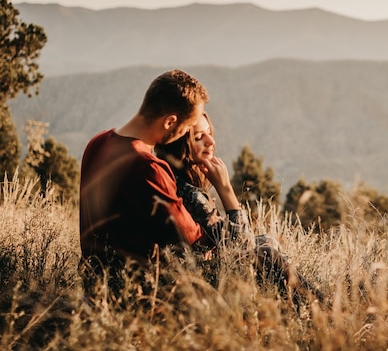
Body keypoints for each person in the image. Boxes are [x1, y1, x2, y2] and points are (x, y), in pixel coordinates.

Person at [79, 69, 235, 296]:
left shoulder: (98, 141)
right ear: (171, 121)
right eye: (186, 128)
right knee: (262, 251)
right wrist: (226, 195)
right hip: (136, 294)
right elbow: (196, 240)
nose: (183, 135)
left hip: (95, 284)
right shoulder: (148, 166)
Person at [155, 112, 325, 306]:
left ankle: (297, 308)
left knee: (266, 243)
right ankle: (320, 309)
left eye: (209, 132)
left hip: (194, 271)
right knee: (266, 253)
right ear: (178, 143)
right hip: (196, 285)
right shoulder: (189, 194)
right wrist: (225, 189)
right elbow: (241, 249)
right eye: (198, 137)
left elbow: (230, 240)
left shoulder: (174, 179)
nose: (210, 141)